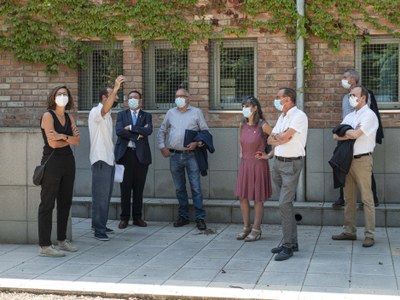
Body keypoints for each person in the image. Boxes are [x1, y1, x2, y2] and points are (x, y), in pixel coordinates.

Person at [332, 85, 379, 247]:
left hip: (362, 160)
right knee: (348, 197)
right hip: (347, 160)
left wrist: (346, 132)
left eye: (353, 95)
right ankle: (349, 231)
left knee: (367, 198)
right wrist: (349, 133)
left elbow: (357, 134)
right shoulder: (350, 116)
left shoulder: (370, 115)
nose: (350, 97)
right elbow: (335, 135)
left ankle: (369, 235)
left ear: (363, 98)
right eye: (350, 95)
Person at [157, 88, 209, 231]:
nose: (178, 98)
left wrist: (197, 143)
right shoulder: (170, 113)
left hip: (191, 155)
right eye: (177, 96)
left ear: (188, 98)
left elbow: (205, 132)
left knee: (196, 188)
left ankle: (200, 218)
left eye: (182, 96)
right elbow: (162, 130)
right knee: (180, 188)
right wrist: (162, 147)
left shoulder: (196, 112)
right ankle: (183, 216)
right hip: (174, 155)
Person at [38, 85, 80, 257]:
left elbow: (77, 140)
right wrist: (66, 139)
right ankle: (45, 246)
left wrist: (62, 136)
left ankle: (62, 240)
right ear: (53, 97)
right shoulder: (48, 116)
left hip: (68, 162)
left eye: (65, 94)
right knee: (47, 204)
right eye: (59, 94)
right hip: (52, 163)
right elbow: (52, 144)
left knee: (65, 202)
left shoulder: (69, 117)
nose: (62, 96)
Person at [332, 68, 383, 208]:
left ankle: (373, 197)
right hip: (345, 135)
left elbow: (367, 116)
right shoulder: (345, 97)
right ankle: (342, 197)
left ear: (353, 79)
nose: (343, 80)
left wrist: (355, 131)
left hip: (360, 137)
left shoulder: (365, 95)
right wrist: (346, 132)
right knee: (342, 164)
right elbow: (344, 121)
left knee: (364, 168)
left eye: (345, 77)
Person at [267, 88, 308, 261]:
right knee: (286, 204)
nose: (276, 101)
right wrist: (279, 137)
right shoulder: (282, 117)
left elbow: (284, 138)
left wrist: (279, 137)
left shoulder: (299, 116)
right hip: (278, 161)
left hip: (291, 163)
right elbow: (270, 139)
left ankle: (288, 246)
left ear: (288, 99)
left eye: (279, 98)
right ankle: (292, 241)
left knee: (284, 203)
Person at [89, 75, 126, 241]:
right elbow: (104, 109)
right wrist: (116, 86)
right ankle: (98, 229)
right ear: (105, 97)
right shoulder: (97, 111)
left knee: (106, 195)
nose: (117, 97)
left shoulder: (108, 114)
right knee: (100, 196)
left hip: (109, 161)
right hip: (101, 161)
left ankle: (100, 224)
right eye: (113, 94)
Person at [234, 97, 272, 242]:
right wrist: (242, 154)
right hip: (245, 164)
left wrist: (268, 155)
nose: (244, 108)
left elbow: (276, 138)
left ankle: (256, 229)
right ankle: (246, 227)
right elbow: (241, 142)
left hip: (258, 165)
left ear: (255, 108)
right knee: (242, 197)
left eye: (248, 106)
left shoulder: (263, 125)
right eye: (243, 106)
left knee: (257, 197)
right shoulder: (242, 124)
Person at [115, 90, 153, 229]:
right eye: (130, 98)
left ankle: (137, 217)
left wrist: (131, 127)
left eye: (135, 98)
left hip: (141, 157)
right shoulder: (121, 114)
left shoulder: (146, 116)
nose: (133, 100)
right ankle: (124, 218)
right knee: (125, 188)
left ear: (140, 100)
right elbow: (119, 131)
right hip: (125, 155)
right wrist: (136, 135)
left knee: (139, 188)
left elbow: (148, 131)